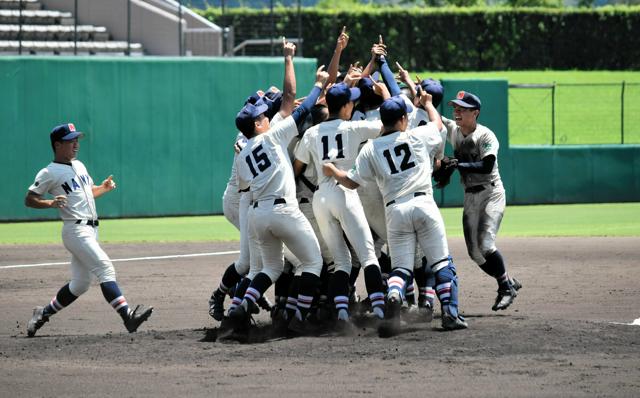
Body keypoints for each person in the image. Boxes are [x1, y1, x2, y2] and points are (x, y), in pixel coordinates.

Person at [323, 94, 468, 333]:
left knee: (400, 269)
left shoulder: (370, 148)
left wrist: (333, 171)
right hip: (423, 205)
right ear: (403, 119)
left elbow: (350, 182)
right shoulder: (417, 135)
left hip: (395, 211)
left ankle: (393, 294)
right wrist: (429, 103)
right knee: (442, 263)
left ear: (382, 120)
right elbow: (438, 125)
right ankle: (450, 315)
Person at [228, 40, 330, 333]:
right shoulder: (272, 137)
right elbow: (296, 101)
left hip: (258, 216)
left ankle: (243, 305)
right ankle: (297, 319)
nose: (265, 116)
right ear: (259, 124)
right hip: (283, 210)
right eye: (262, 115)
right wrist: (318, 85)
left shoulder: (242, 152)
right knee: (312, 262)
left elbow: (245, 187)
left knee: (271, 268)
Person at [25, 123, 153, 337]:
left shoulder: (80, 165)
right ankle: (128, 316)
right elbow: (29, 199)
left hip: (91, 230)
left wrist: (102, 188)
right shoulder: (49, 172)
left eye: (77, 140)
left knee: (80, 284)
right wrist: (50, 203)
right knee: (105, 268)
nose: (76, 144)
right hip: (75, 231)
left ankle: (42, 313)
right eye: (70, 141)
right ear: (57, 145)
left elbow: (85, 195)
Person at [293, 81, 387, 328]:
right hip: (345, 193)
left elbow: (297, 167)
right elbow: (388, 122)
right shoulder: (354, 127)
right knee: (368, 256)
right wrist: (386, 94)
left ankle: (342, 315)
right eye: (351, 101)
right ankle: (379, 312)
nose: (353, 104)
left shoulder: (312, 132)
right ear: (345, 106)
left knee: (341, 261)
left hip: (320, 197)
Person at [441, 91, 522, 311]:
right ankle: (507, 280)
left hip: (491, 193)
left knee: (486, 244)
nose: (456, 112)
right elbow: (430, 114)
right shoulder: (454, 130)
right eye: (455, 108)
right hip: (470, 196)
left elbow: (487, 166)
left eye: (462, 109)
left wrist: (457, 165)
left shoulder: (486, 136)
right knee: (474, 253)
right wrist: (415, 89)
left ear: (475, 113)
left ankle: (505, 287)